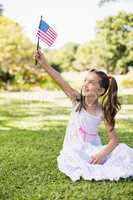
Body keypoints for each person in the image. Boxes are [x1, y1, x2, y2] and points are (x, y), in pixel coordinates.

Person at [35, 50, 133, 182]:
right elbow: (60, 79)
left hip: (92, 150)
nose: (85, 84)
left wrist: (102, 154)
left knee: (123, 150)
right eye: (85, 80)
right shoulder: (76, 100)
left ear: (101, 91)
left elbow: (114, 140)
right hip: (74, 148)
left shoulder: (103, 111)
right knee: (73, 156)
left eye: (91, 82)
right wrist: (44, 64)